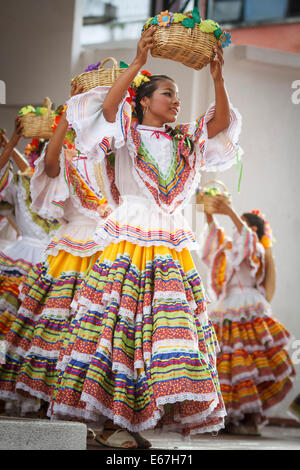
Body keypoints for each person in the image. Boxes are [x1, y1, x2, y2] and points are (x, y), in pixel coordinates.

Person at [48, 26, 242, 448]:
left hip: (170, 237)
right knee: (120, 326)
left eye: (177, 95)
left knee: (163, 330)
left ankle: (130, 420)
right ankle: (109, 422)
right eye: (167, 93)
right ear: (145, 100)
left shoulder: (185, 138)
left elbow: (222, 123)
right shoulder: (126, 134)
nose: (175, 101)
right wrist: (136, 63)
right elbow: (107, 110)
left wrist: (217, 77)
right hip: (130, 235)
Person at [0, 83, 110, 417]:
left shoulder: (110, 157)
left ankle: (80, 400)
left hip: (105, 246)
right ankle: (46, 396)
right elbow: (47, 165)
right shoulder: (67, 157)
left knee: (90, 328)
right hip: (69, 246)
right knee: (56, 323)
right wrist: (70, 110)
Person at [201, 196, 295, 435]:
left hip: (249, 307)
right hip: (228, 307)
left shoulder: (256, 246)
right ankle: (232, 418)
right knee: (229, 366)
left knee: (252, 363)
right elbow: (214, 245)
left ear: (252, 228)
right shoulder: (231, 247)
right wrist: (209, 214)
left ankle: (251, 419)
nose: (235, 226)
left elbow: (249, 242)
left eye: (240, 223)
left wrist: (230, 211)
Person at [0, 121, 59, 343]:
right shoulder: (21, 183)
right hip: (22, 256)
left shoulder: (68, 188)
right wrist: (11, 144)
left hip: (55, 262)